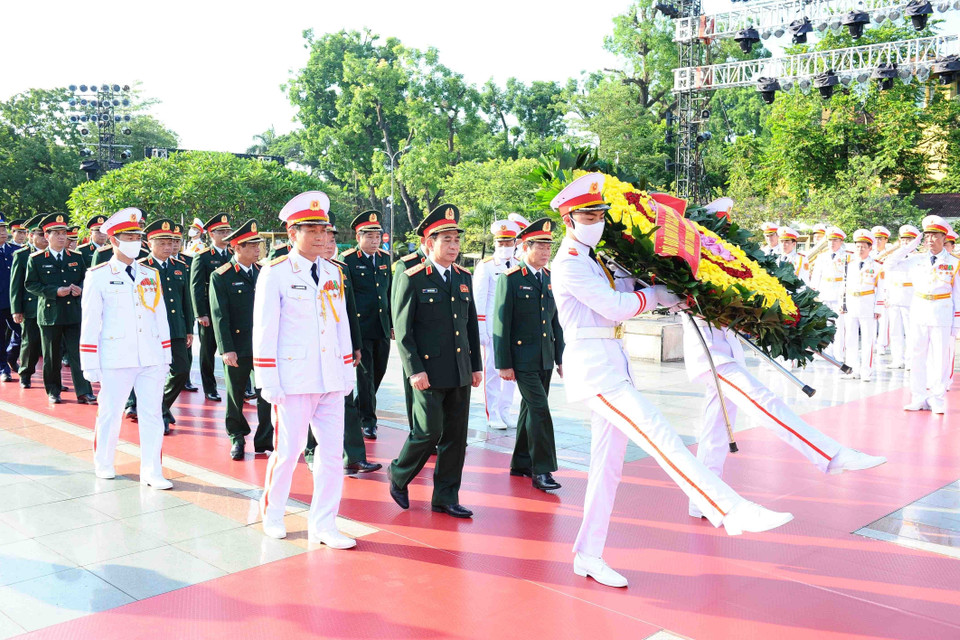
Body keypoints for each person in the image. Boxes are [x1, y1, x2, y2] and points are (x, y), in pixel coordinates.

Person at [550, 173, 792, 589]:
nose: (597, 222)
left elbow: (629, 288)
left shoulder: (596, 259)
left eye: (600, 215)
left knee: (606, 469)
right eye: (588, 216)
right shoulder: (570, 262)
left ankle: (587, 554)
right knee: (661, 434)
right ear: (568, 220)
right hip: (594, 370)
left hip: (612, 363)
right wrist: (656, 296)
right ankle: (728, 508)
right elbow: (614, 306)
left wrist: (665, 279)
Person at [681, 314, 885, 521]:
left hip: (728, 350)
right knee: (763, 402)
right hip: (710, 353)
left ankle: (703, 500)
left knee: (717, 427)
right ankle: (831, 456)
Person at [253, 191, 357, 549]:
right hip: (293, 379)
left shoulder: (332, 271)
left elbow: (341, 324)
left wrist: (347, 372)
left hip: (330, 377)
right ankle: (273, 514)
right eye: (310, 229)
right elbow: (265, 330)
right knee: (288, 452)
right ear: (291, 233)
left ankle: (324, 524)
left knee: (331, 455)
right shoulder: (276, 272)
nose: (319, 236)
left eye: (322, 230)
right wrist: (267, 380)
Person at [387, 204, 483, 518]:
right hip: (428, 371)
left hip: (459, 370)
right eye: (447, 240)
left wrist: (476, 366)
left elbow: (470, 326)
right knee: (428, 431)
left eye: (457, 240)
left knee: (456, 437)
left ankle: (445, 497)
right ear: (429, 243)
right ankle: (399, 473)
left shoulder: (463, 277)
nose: (454, 246)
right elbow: (403, 331)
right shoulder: (413, 277)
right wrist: (414, 370)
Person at [79, 207, 173, 488]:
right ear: (114, 240)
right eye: (129, 236)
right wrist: (89, 362)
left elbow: (160, 317)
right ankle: (104, 462)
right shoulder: (98, 275)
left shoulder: (150, 274)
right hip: (116, 356)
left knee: (152, 414)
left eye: (137, 236)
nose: (135, 241)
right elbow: (90, 321)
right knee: (110, 412)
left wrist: (166, 355)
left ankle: (152, 471)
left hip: (150, 355)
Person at [303, 216, 381, 475]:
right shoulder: (293, 270)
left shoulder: (339, 270)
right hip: (309, 351)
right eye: (323, 237)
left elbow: (349, 312)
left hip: (337, 349)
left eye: (331, 239)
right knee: (310, 402)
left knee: (345, 401)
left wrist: (355, 346)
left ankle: (354, 457)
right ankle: (311, 451)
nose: (328, 243)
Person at [493, 218, 564, 491]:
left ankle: (521, 462)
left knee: (530, 410)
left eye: (549, 247)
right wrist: (503, 363)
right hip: (521, 358)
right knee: (540, 410)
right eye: (540, 247)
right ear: (525, 247)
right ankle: (541, 469)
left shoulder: (549, 278)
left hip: (544, 356)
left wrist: (560, 358)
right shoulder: (511, 279)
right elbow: (502, 324)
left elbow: (555, 321)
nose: (546, 252)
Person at [209, 219, 274, 460]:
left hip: (263, 345)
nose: (257, 250)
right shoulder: (221, 276)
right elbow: (220, 315)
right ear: (237, 248)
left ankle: (264, 439)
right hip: (237, 345)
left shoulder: (264, 272)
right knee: (235, 395)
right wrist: (226, 349)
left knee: (266, 393)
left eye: (258, 245)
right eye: (252, 246)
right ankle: (236, 436)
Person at [123, 219, 195, 433]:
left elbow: (186, 300)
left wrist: (188, 329)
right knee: (152, 373)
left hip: (176, 328)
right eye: (162, 243)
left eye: (170, 243)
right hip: (151, 330)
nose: (167, 247)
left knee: (181, 371)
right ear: (150, 243)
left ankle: (159, 406)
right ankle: (159, 413)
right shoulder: (141, 267)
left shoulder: (180, 267)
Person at [886, 216, 960, 414]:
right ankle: (918, 397)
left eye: (934, 235)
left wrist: (957, 322)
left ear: (944, 237)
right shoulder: (915, 259)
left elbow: (958, 294)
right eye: (927, 235)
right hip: (919, 310)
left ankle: (937, 399)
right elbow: (889, 264)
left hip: (942, 312)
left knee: (940, 358)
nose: (930, 239)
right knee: (916, 356)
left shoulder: (954, 263)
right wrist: (909, 246)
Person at [24, 213, 96, 404]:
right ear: (47, 236)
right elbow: (31, 284)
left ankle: (84, 391)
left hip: (73, 313)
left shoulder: (76, 257)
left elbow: (85, 278)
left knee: (78, 354)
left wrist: (80, 288)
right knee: (51, 356)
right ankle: (53, 390)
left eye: (64, 233)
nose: (62, 237)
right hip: (50, 314)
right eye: (57, 233)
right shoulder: (37, 259)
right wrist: (55, 291)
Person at [339, 211, 392, 440]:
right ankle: (368, 421)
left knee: (379, 371)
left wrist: (391, 323)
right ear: (358, 237)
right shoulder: (348, 260)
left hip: (381, 326)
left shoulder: (384, 258)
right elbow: (345, 297)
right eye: (369, 236)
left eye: (377, 236)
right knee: (366, 375)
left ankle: (359, 409)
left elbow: (388, 293)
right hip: (361, 327)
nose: (374, 241)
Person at [473, 219, 521, 430]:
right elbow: (479, 298)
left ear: (515, 243)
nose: (504, 247)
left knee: (512, 373)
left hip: (514, 329)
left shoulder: (519, 265)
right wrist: (481, 329)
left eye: (508, 243)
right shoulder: (486, 266)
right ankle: (492, 413)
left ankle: (505, 411)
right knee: (493, 371)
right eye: (500, 243)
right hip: (494, 328)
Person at [190, 213, 233, 402]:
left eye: (227, 231)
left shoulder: (233, 254)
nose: (225, 234)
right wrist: (201, 313)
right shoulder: (203, 257)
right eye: (221, 231)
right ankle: (210, 388)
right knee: (208, 352)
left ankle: (239, 387)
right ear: (211, 234)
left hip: (230, 312)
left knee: (232, 349)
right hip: (209, 312)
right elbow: (196, 287)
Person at [10, 215, 47, 388]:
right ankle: (25, 374)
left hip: (52, 306)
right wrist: (16, 309)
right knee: (30, 342)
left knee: (52, 346)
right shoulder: (22, 255)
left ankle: (52, 379)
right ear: (31, 235)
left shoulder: (53, 254)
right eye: (41, 234)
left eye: (46, 234)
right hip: (31, 306)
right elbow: (16, 285)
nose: (45, 238)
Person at [841, 230, 882, 381]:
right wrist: (842, 303)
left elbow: (881, 288)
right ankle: (852, 370)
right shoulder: (849, 264)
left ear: (870, 248)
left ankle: (866, 372)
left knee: (867, 340)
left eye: (864, 247)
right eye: (858, 246)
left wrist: (878, 307)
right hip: (851, 303)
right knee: (850, 339)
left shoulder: (876, 266)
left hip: (867, 304)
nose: (860, 249)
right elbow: (843, 285)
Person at [809, 227, 850, 363]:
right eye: (830, 240)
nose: (832, 243)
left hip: (839, 294)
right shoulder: (822, 256)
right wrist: (814, 293)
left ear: (841, 241)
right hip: (824, 292)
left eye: (835, 240)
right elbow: (816, 275)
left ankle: (839, 353)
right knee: (823, 324)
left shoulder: (847, 256)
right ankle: (824, 350)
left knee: (839, 326)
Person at [883, 225, 920, 370]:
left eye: (909, 240)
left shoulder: (918, 257)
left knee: (911, 332)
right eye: (903, 239)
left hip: (910, 297)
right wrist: (886, 295)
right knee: (895, 331)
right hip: (894, 296)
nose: (906, 243)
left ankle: (911, 360)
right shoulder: (894, 257)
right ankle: (897, 359)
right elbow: (888, 275)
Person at [1, 215, 19, 382]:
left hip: (14, 302)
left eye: (3, 228)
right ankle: (3, 368)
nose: (2, 232)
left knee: (23, 333)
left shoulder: (15, 250)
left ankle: (11, 357)